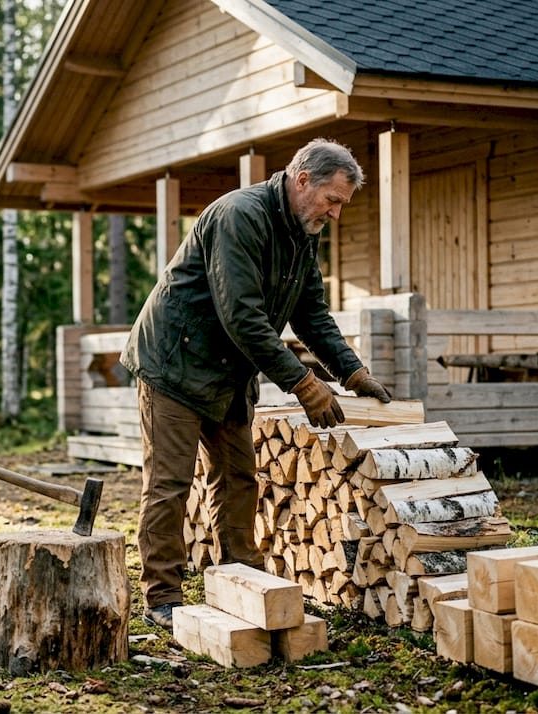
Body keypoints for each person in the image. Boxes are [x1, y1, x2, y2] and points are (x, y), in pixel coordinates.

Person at [120, 138, 392, 630]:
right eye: (333, 200)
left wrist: (353, 372)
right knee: (169, 485)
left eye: (341, 206)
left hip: (227, 372)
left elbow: (312, 314)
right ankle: (162, 596)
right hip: (175, 364)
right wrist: (304, 384)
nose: (335, 214)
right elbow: (241, 317)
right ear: (302, 179)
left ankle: (239, 578)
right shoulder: (238, 215)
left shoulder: (302, 232)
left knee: (239, 478)